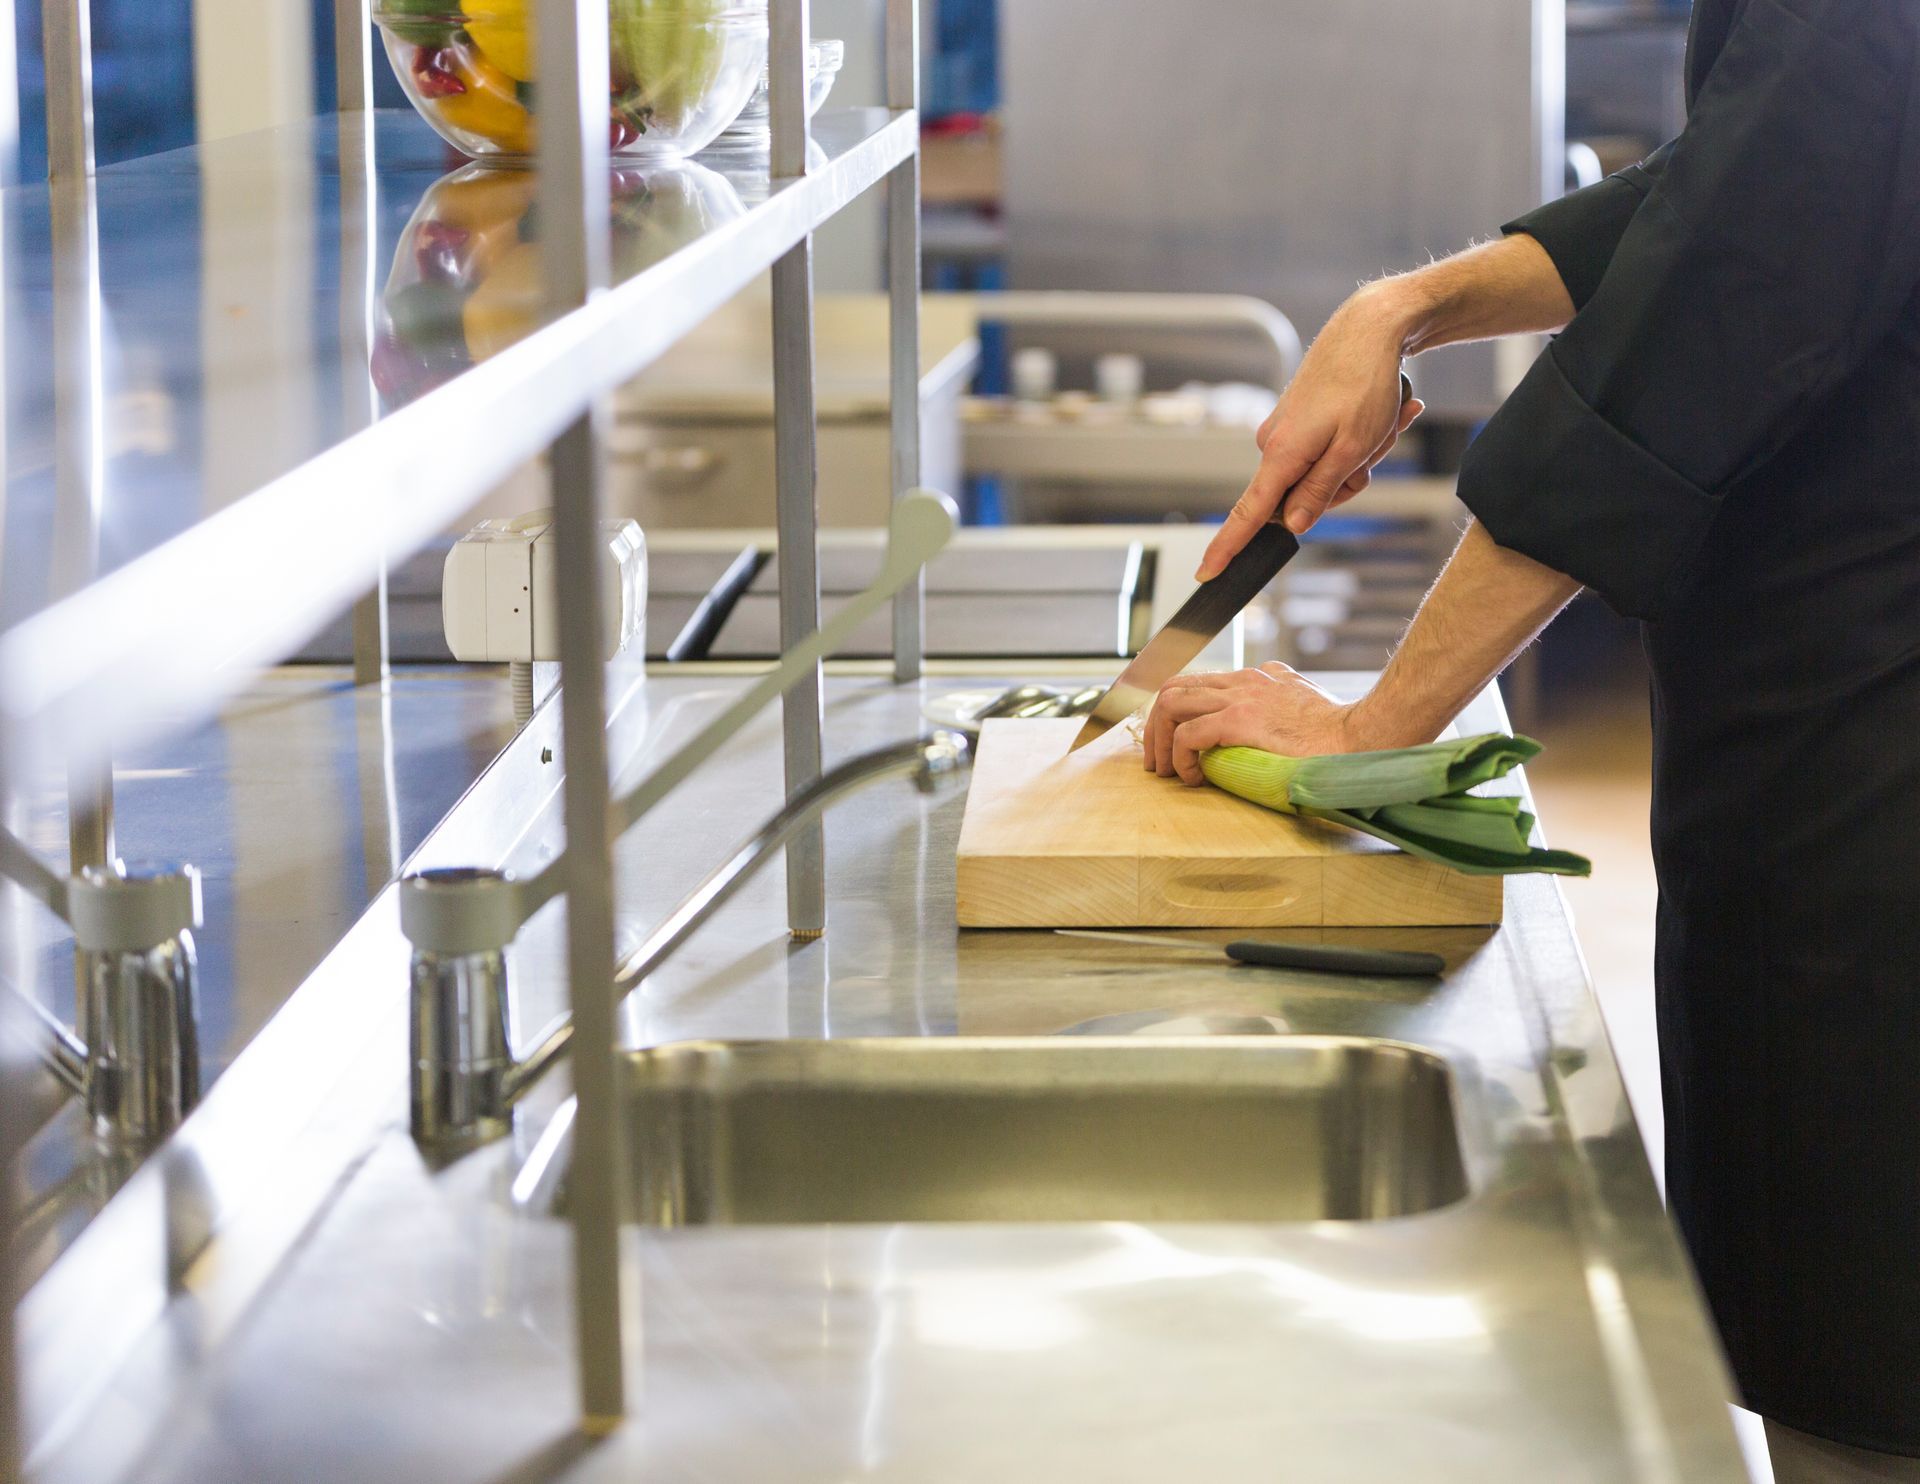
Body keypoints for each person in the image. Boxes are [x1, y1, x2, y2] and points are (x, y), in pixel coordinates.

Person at [1141, 2, 1920, 1480]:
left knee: (1875, 1352)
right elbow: (1744, 185)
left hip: (1876, 758)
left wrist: (1376, 727)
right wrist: (1406, 309)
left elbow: (1715, 307)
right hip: (1822, 727)